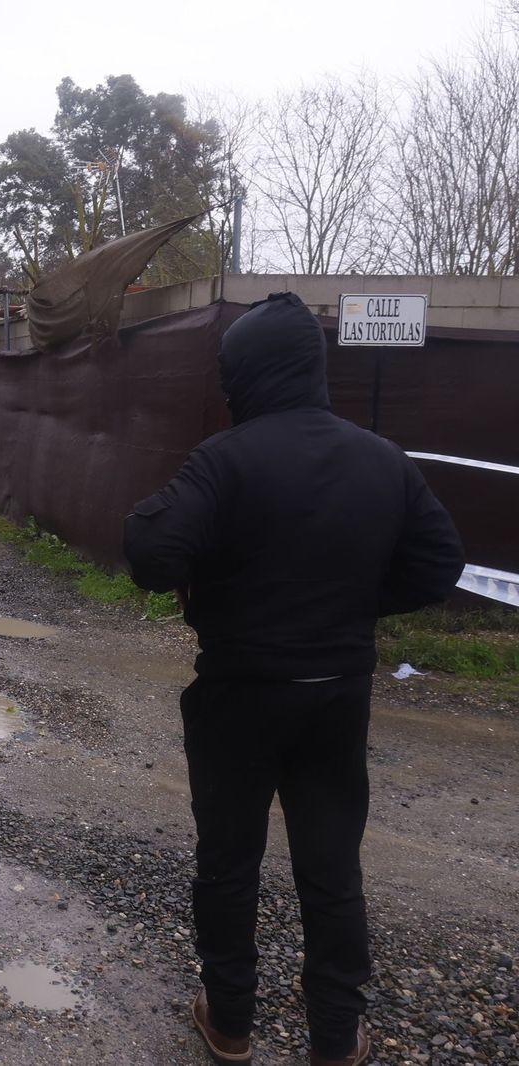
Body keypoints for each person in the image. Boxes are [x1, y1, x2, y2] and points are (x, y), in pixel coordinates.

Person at [123, 293, 464, 1066]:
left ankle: (232, 1023)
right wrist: (355, 605)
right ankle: (337, 1039)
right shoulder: (381, 457)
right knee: (332, 866)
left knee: (229, 862)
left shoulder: (224, 458)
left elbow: (150, 554)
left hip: (239, 695)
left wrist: (208, 578)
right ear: (311, 369)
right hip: (337, 694)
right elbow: (439, 564)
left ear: (244, 374)